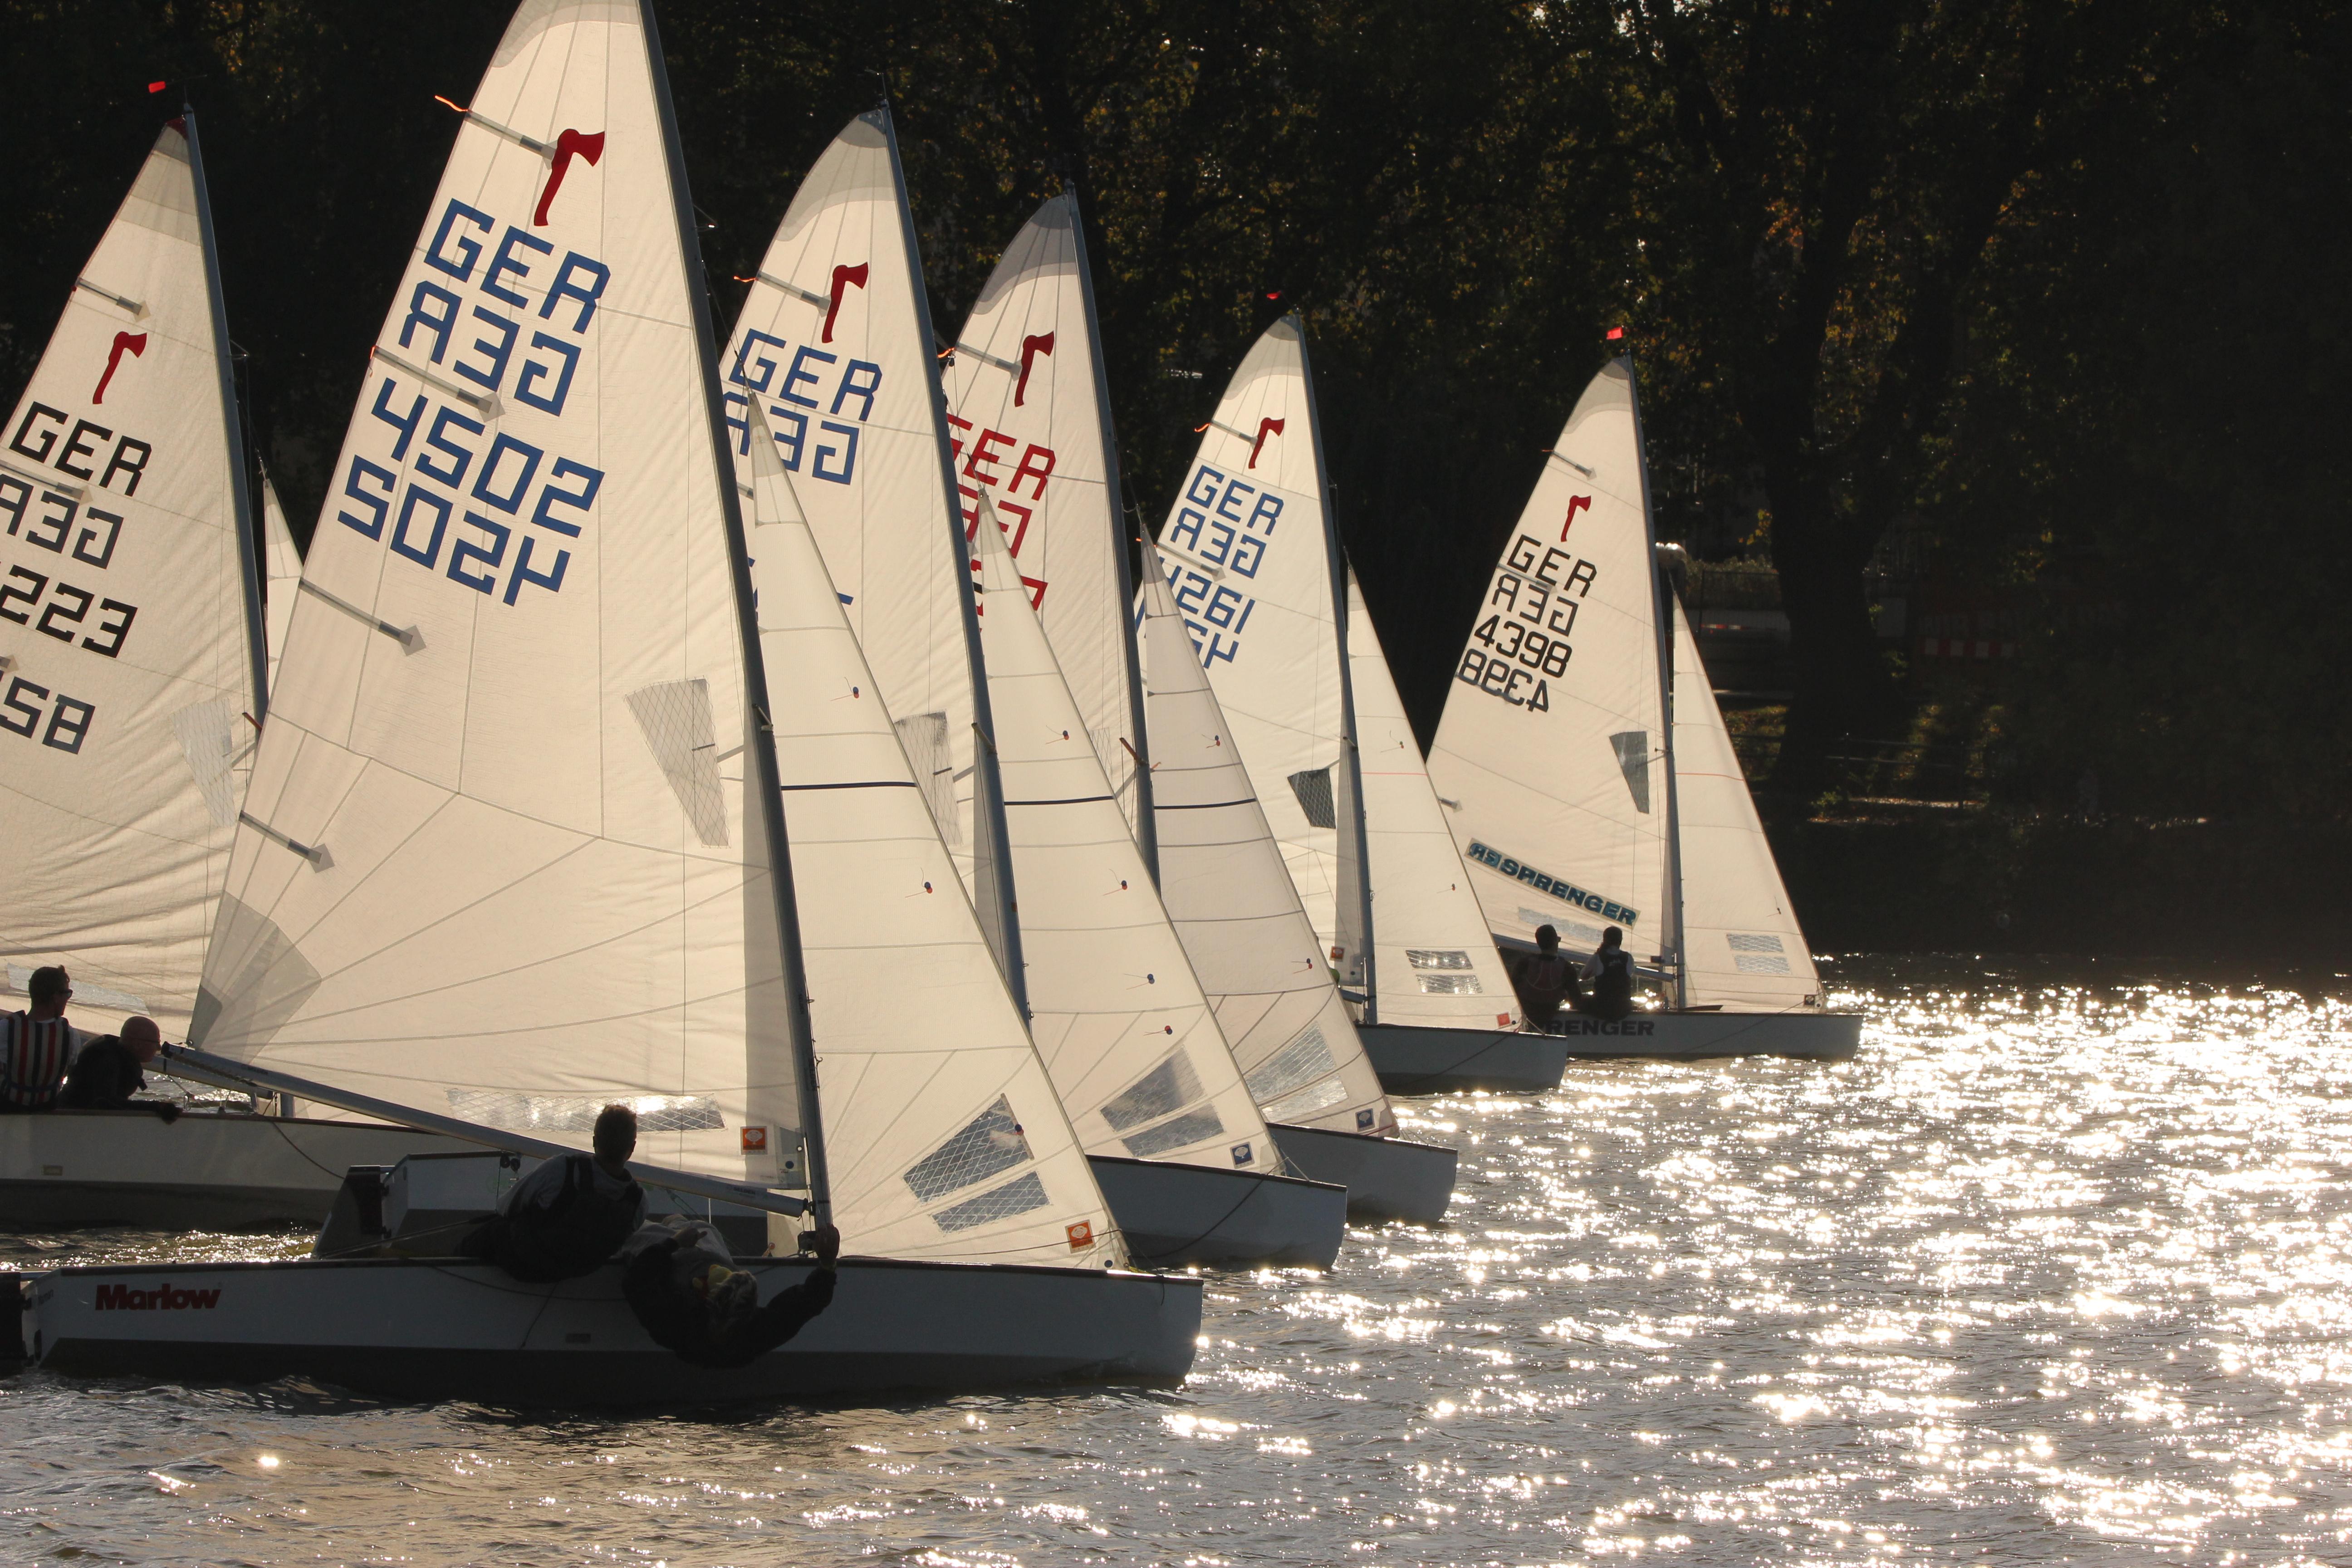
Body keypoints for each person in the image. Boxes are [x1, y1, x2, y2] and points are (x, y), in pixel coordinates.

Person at [621, 1215, 842, 1368]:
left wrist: (673, 1243)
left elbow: (637, 1281)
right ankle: (676, 1222)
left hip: (674, 1261)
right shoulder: (756, 1334)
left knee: (635, 1230)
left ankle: (673, 1225)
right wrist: (827, 1263)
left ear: (707, 1300)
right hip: (712, 1255)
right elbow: (806, 1304)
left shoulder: (677, 1327)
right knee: (702, 1227)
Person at [461, 1103, 647, 1281]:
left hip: (524, 1264)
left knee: (491, 1232)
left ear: (594, 1141)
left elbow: (505, 1207)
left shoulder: (562, 1170)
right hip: (576, 1273)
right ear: (632, 1148)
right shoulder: (638, 1203)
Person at [58, 1015, 181, 1120]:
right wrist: (156, 1107)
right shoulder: (105, 1060)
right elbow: (105, 1102)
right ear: (138, 1044)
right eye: (156, 1043)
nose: (159, 1048)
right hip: (72, 1121)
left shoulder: (116, 1055)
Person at [1, 965, 83, 1112]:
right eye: (67, 993)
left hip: (7, 1110)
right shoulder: (70, 1036)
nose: (67, 998)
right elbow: (70, 1071)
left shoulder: (6, 1028)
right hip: (47, 1112)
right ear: (56, 997)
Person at [1509, 925, 1582, 1032]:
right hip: (1550, 1015)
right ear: (1556, 942)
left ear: (1538, 942)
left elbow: (1512, 989)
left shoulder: (1524, 964)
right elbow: (1576, 999)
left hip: (1527, 1014)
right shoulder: (1567, 968)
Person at [1578, 926, 1637, 1021]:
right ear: (1621, 940)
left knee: (1578, 1000)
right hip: (1624, 1009)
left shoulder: (1598, 957)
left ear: (1604, 939)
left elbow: (1583, 976)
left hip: (1602, 1008)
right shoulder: (1629, 958)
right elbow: (1628, 975)